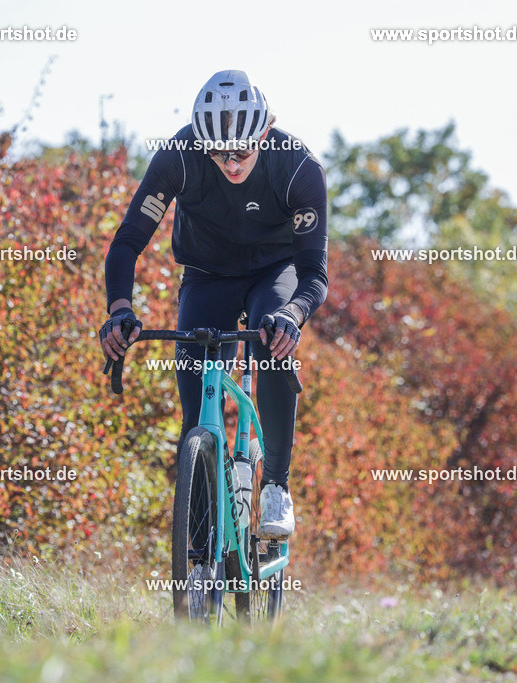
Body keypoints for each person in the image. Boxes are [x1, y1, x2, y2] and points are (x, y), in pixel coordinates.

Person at [99, 70, 328, 539]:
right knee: (195, 395)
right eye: (217, 151)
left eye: (242, 151)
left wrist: (293, 314)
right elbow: (126, 243)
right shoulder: (179, 157)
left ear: (264, 132)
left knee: (273, 334)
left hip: (275, 271)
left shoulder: (299, 168)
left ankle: (276, 487)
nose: (230, 163)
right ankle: (202, 513)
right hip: (207, 276)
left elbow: (314, 275)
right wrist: (119, 309)